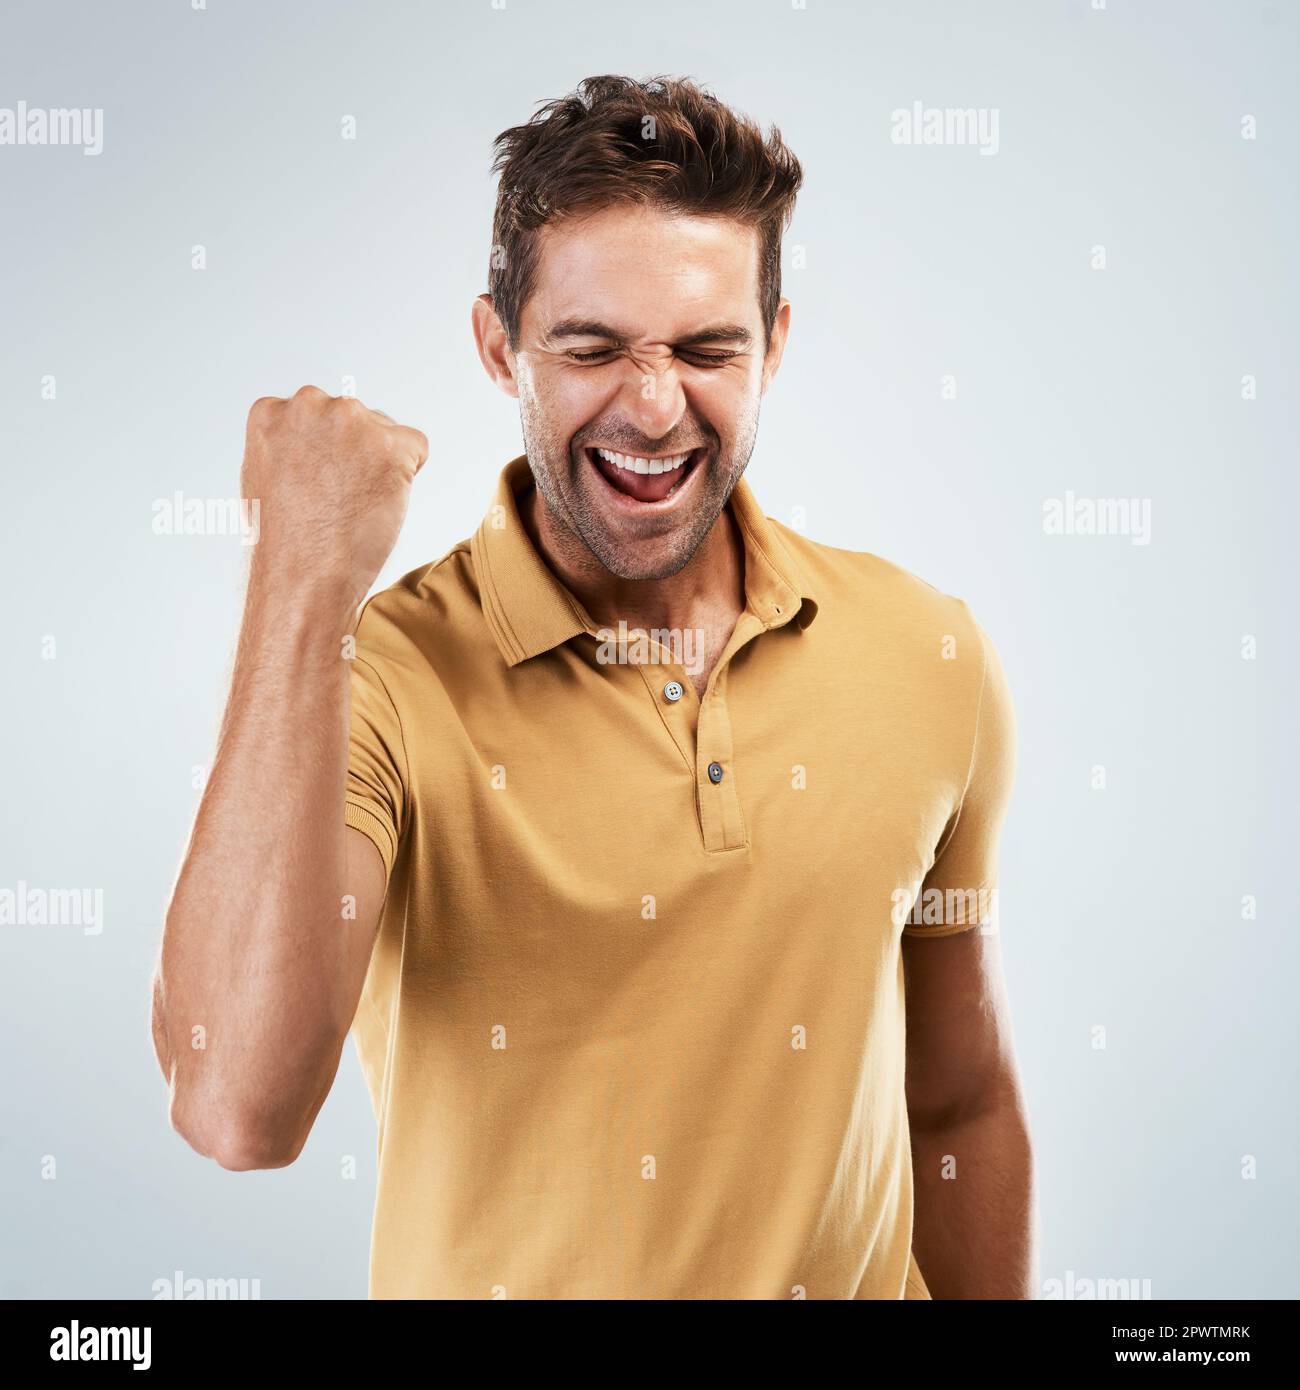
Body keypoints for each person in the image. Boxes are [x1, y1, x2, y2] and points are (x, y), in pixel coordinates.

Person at [151, 74, 1034, 1300]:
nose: (656, 404)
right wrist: (300, 574)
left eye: (707, 347)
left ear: (773, 345)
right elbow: (235, 1104)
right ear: (499, 345)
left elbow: (958, 1094)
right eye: (593, 347)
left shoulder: (925, 650)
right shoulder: (387, 679)